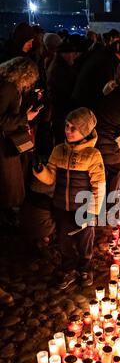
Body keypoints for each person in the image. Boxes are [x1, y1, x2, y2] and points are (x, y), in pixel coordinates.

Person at [33, 107, 106, 289]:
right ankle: (68, 267)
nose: (68, 130)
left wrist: (93, 212)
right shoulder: (58, 150)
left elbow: (99, 186)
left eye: (73, 128)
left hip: (83, 209)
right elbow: (51, 178)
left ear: (85, 131)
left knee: (84, 240)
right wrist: (41, 172)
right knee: (64, 240)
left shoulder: (93, 155)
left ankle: (85, 267)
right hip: (61, 206)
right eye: (66, 126)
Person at [0, 56, 39, 226]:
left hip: (7, 140)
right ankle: (7, 215)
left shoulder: (9, 85)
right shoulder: (7, 88)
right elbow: (1, 119)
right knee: (8, 180)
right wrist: (25, 117)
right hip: (4, 142)